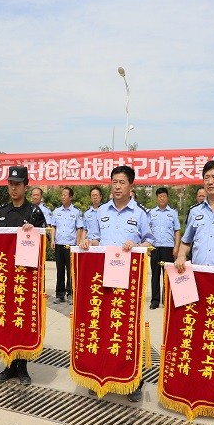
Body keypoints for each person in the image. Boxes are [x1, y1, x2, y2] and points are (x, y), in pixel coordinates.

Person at [80, 165, 154, 402]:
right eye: (114, 182)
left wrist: (137, 245)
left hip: (128, 283)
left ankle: (133, 382)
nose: (117, 186)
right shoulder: (101, 211)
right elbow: (94, 238)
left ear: (131, 186)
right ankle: (101, 375)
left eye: (122, 182)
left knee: (127, 331)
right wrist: (87, 243)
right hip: (103, 281)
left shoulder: (140, 214)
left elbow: (150, 242)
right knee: (102, 328)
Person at [0, 166, 46, 386]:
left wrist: (33, 231)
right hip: (7, 277)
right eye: (11, 184)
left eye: (18, 184)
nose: (13, 188)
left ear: (26, 186)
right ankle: (8, 365)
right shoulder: (3, 212)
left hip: (27, 277)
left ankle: (23, 366)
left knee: (23, 321)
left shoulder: (35, 213)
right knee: (7, 319)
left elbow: (44, 243)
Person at [149, 187, 180, 309]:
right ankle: (155, 301)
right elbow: (147, 231)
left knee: (168, 275)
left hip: (168, 247)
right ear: (157, 198)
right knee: (155, 275)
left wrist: (176, 247)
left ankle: (166, 300)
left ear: (167, 197)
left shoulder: (173, 213)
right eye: (159, 196)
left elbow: (177, 231)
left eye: (164, 196)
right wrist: (149, 247)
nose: (162, 198)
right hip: (155, 247)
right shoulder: (151, 213)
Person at [51, 187, 83, 305]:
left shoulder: (76, 211)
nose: (62, 196)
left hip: (71, 245)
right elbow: (53, 226)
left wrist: (78, 243)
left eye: (65, 194)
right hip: (59, 244)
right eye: (62, 194)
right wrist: (52, 240)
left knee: (71, 271)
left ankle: (70, 294)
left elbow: (79, 228)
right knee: (60, 270)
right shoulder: (56, 211)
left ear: (71, 197)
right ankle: (60, 295)